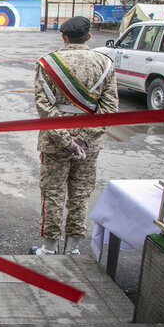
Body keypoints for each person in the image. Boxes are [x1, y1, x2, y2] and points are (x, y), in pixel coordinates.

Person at [30, 16, 118, 256]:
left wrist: (67, 141)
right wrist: (84, 138)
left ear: (63, 37)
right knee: (80, 194)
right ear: (88, 37)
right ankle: (73, 249)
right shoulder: (105, 64)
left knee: (53, 193)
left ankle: (49, 249)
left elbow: (44, 106)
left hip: (55, 141)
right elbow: (109, 110)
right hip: (89, 144)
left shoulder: (48, 63)